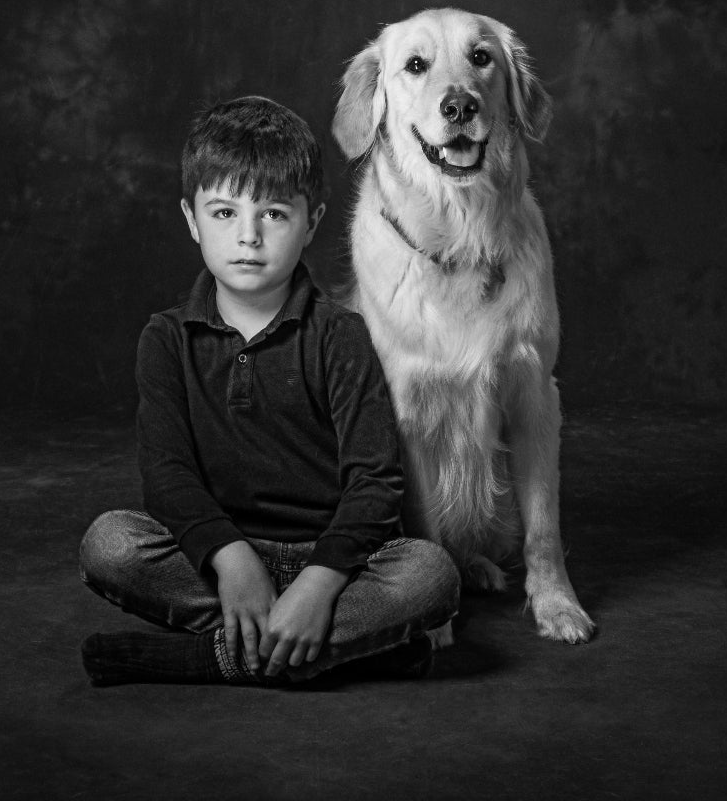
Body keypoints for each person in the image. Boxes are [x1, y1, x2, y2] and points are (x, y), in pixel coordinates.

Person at [78, 95, 460, 687]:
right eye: (224, 213)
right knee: (110, 544)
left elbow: (375, 482)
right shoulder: (166, 339)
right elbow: (168, 477)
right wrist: (232, 561)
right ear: (191, 219)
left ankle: (216, 656)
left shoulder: (340, 334)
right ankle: (340, 647)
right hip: (219, 561)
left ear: (311, 221)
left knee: (430, 576)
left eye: (275, 215)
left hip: (338, 565)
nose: (249, 237)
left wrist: (318, 582)